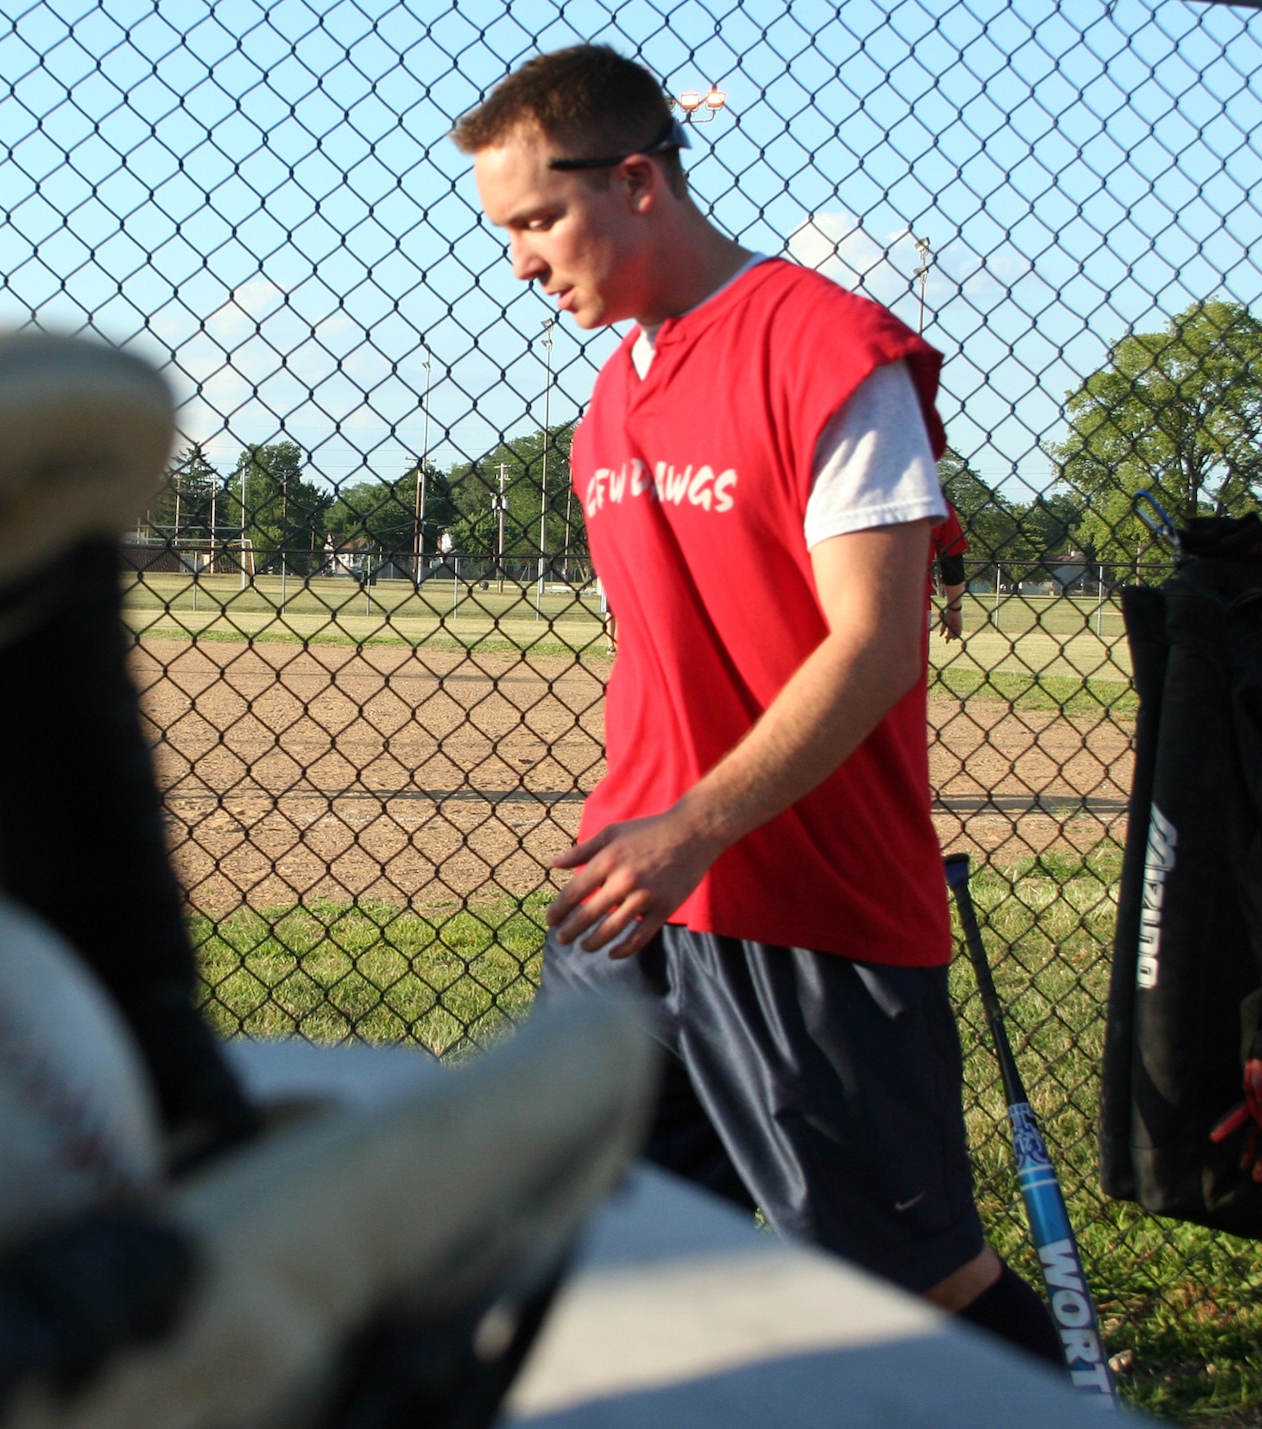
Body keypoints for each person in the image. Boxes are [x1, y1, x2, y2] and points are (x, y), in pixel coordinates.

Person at [452, 44, 1064, 1367]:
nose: (520, 264)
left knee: (905, 1287)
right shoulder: (612, 399)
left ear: (638, 180)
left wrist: (697, 825)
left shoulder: (830, 350)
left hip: (801, 901)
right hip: (630, 897)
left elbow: (871, 647)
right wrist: (652, 837)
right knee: (590, 1247)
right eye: (502, 234)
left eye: (537, 222)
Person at [932, 503, 969, 640]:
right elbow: (952, 560)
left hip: (862, 598)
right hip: (913, 604)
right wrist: (954, 608)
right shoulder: (931, 497)